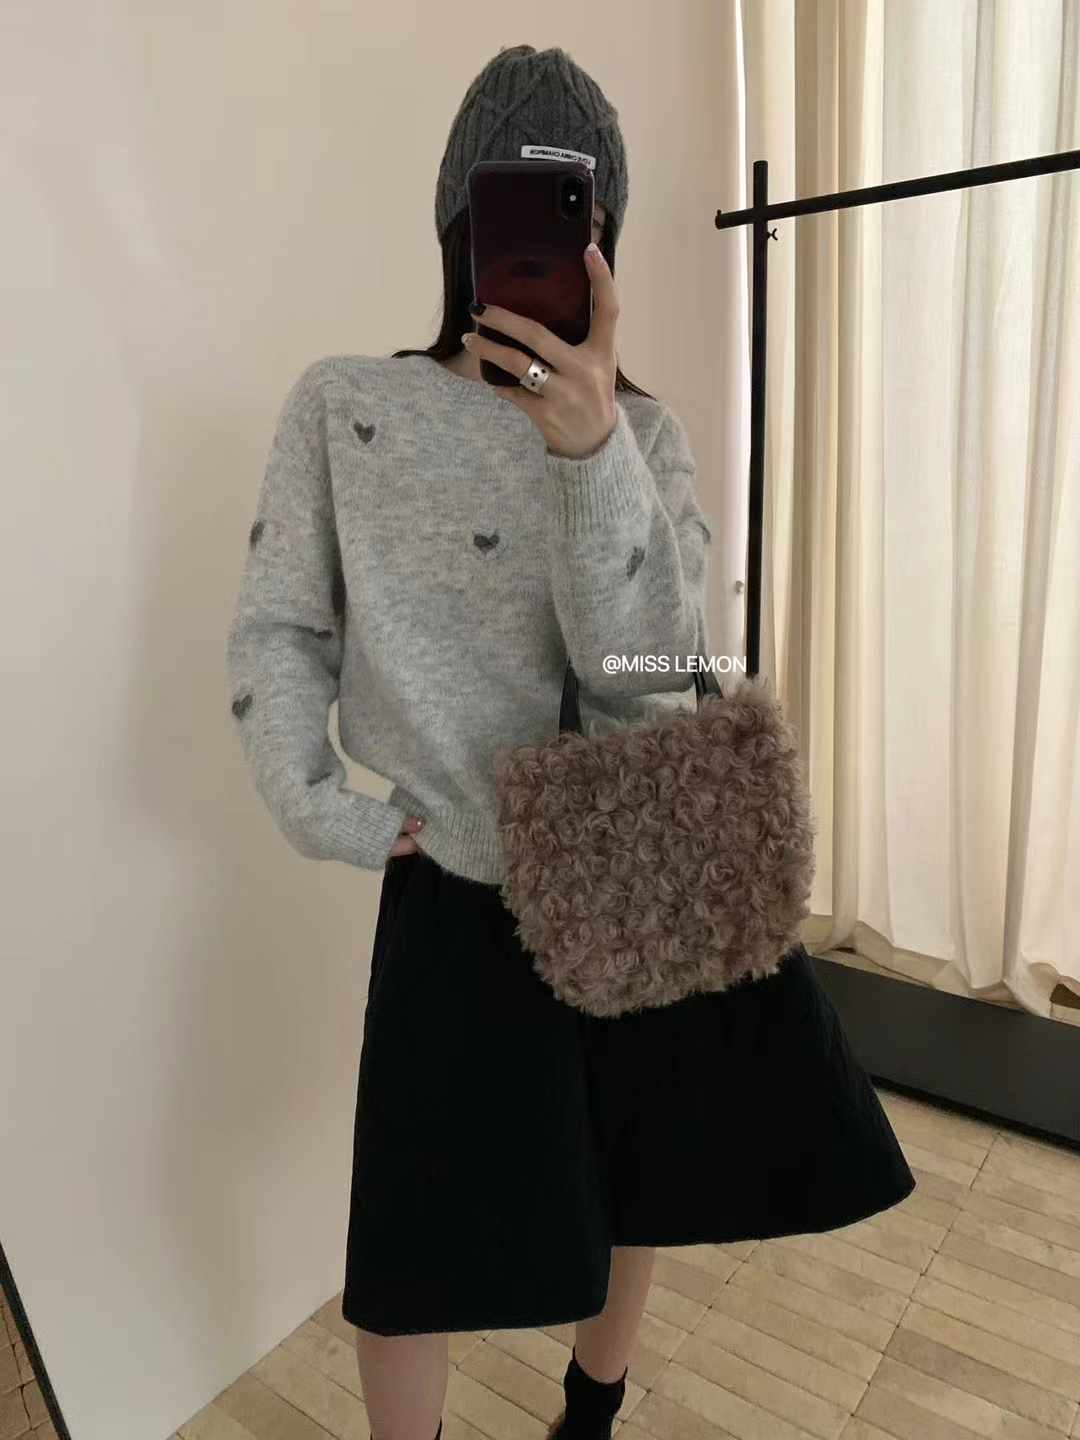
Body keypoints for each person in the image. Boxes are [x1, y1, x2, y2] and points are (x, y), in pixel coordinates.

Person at [226, 43, 916, 1440]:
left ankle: (588, 1416)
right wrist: (326, 806)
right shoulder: (346, 407)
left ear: (605, 240)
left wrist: (592, 455)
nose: (544, 250)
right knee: (408, 1242)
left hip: (632, 864)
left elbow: (657, 677)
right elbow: (280, 629)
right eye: (513, 209)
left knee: (641, 1173)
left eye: (574, 215)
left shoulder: (642, 436)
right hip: (448, 873)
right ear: (458, 221)